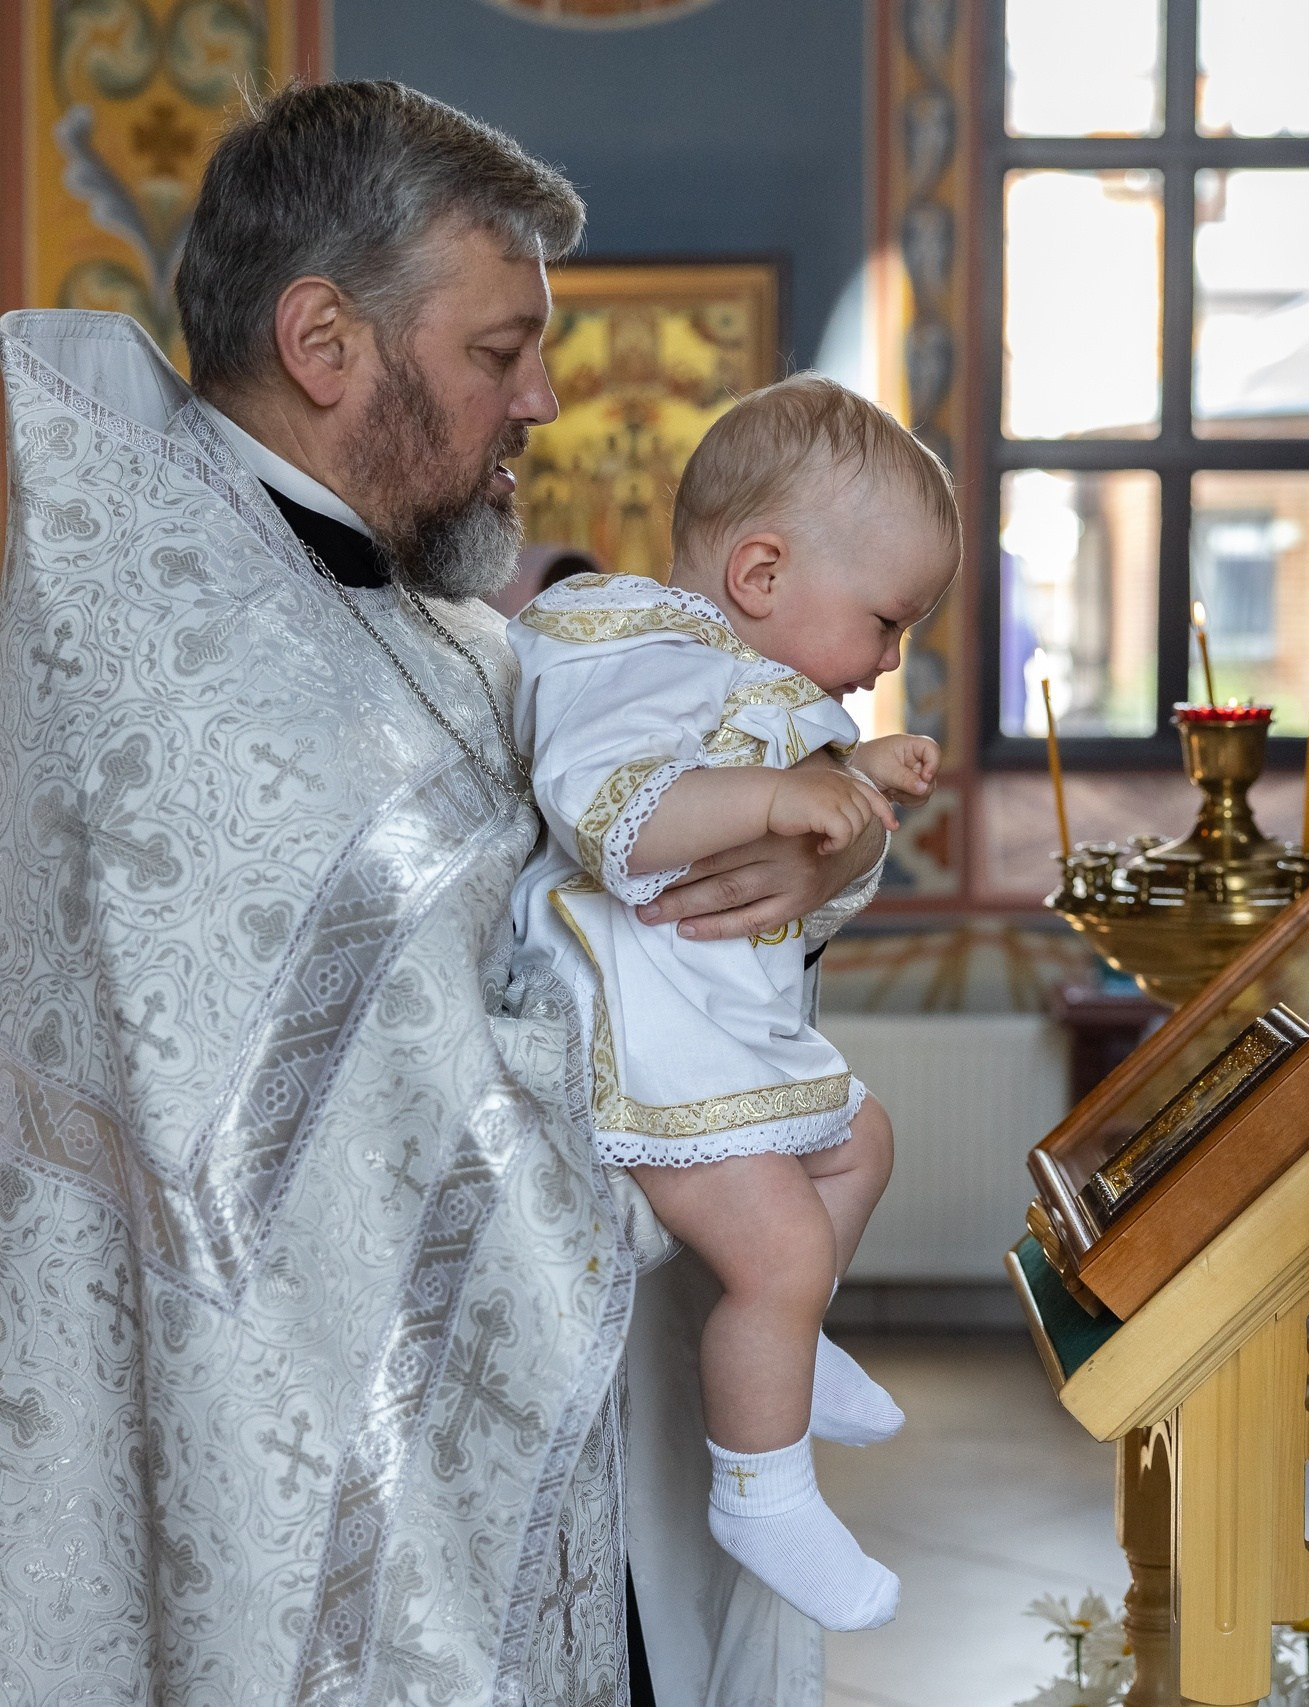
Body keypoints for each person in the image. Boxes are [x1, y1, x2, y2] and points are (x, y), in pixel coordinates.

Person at [0, 81, 884, 1705]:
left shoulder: (428, 620)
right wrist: (721, 1135)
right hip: (349, 1521)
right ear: (325, 342)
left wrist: (827, 847)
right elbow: (389, 1153)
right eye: (501, 351)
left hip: (564, 1459)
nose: (544, 400)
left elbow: (634, 870)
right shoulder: (186, 668)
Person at [509, 377, 954, 1633]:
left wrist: (853, 774)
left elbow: (762, 789)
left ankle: (790, 1346)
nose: (890, 658)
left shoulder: (728, 671)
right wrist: (779, 800)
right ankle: (764, 1491)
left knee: (861, 1143)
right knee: (781, 1247)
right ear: (760, 573)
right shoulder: (635, 653)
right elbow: (609, 806)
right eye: (885, 622)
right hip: (636, 1033)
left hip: (708, 1020)